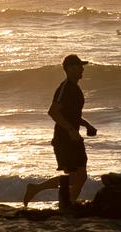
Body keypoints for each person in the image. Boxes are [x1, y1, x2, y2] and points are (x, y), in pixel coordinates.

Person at [24, 54, 97, 207]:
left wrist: (86, 125)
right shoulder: (65, 88)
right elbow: (53, 112)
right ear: (69, 69)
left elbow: (71, 115)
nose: (82, 69)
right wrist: (70, 130)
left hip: (73, 137)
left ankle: (67, 203)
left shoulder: (75, 88)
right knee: (78, 176)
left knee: (79, 176)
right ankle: (38, 189)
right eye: (79, 66)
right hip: (64, 138)